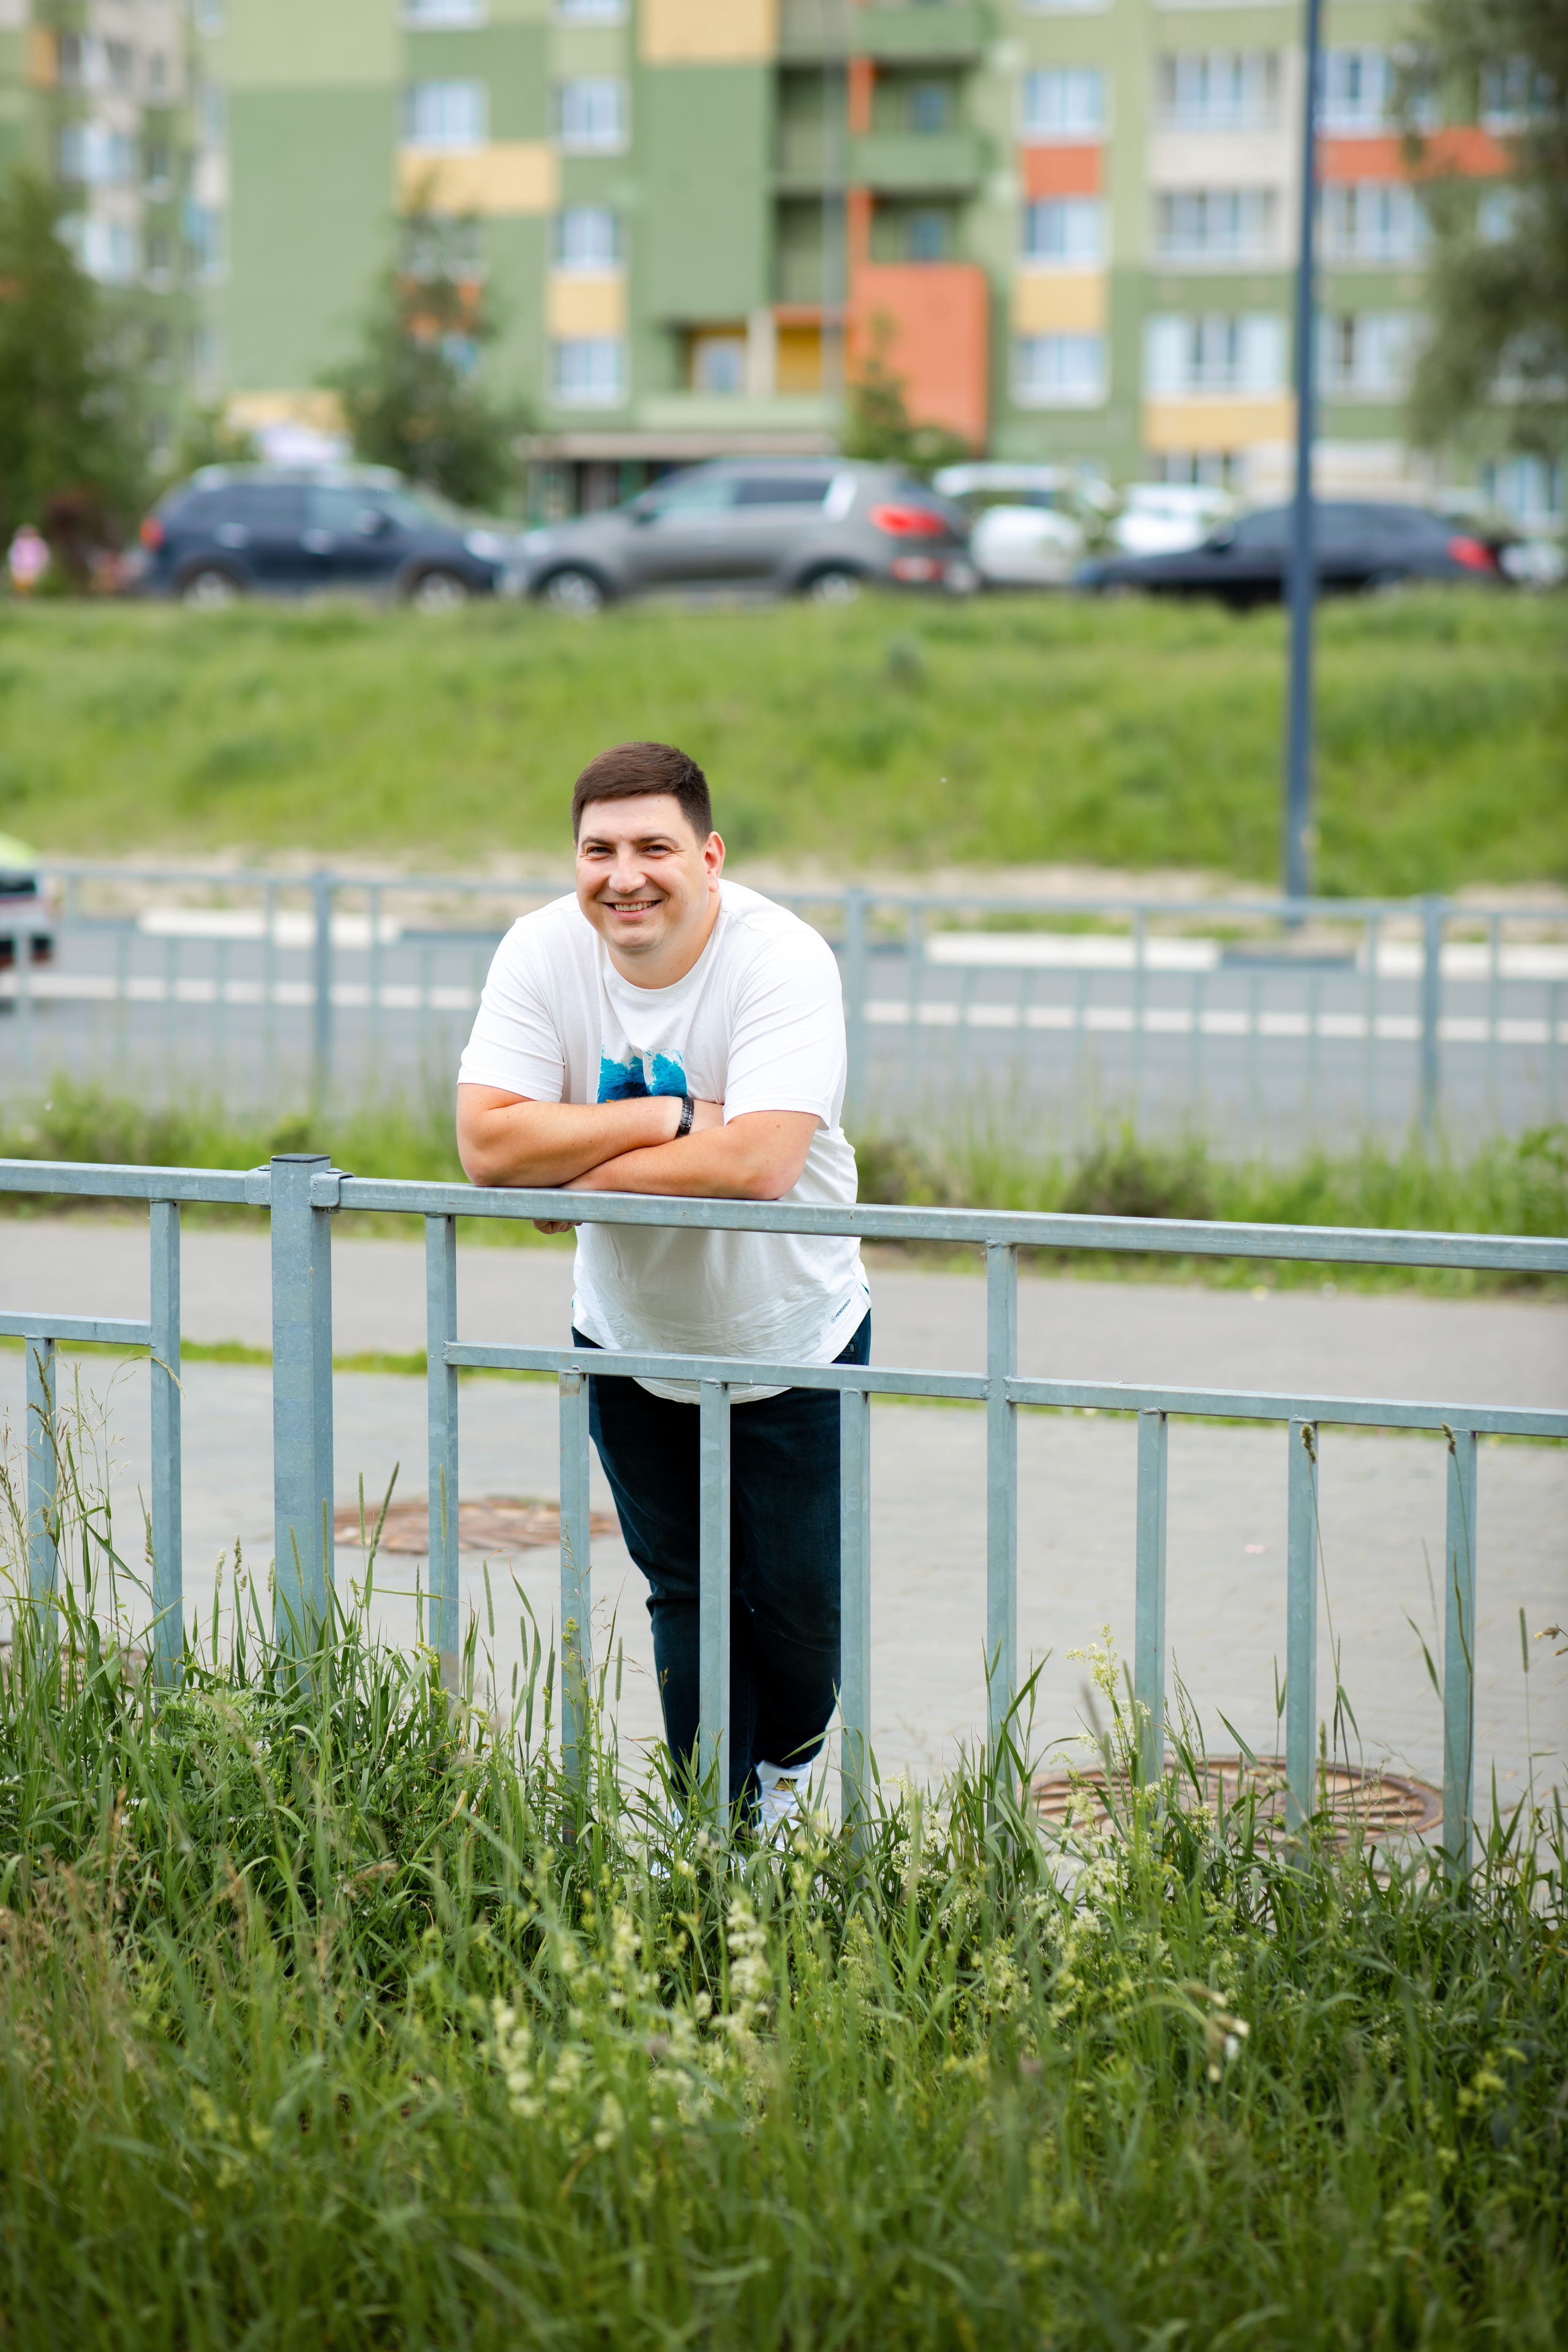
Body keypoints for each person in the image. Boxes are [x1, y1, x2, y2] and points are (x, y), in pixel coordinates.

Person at [456, 741, 869, 1831]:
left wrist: (577, 1170)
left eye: (655, 847)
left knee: (795, 1613)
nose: (624, 875)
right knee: (685, 1593)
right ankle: (719, 1828)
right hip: (631, 1336)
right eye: (599, 849)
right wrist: (669, 1117)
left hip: (794, 1336)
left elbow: (762, 1165)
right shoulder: (543, 951)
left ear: (711, 856)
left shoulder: (781, 959)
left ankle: (780, 1775)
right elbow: (490, 1149)